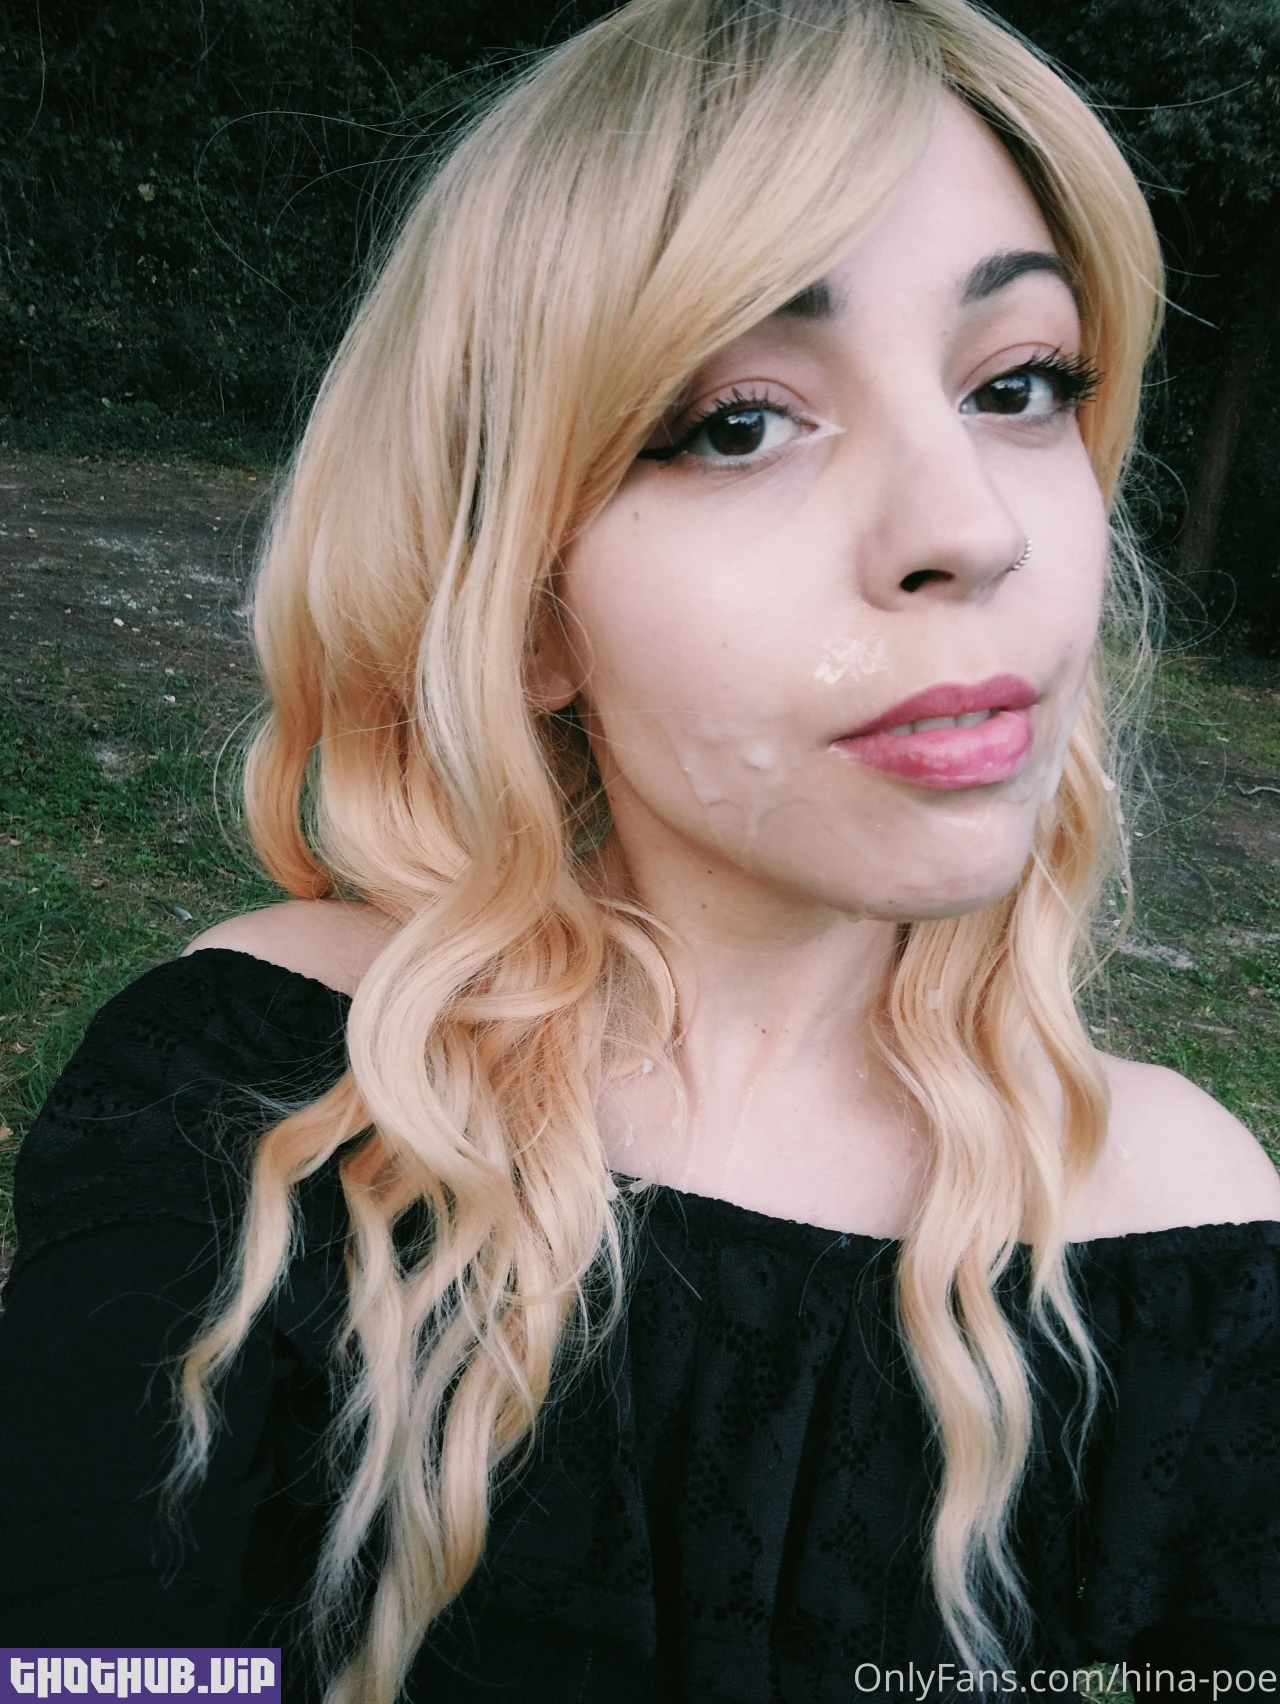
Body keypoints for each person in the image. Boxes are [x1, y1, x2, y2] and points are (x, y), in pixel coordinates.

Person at [2, 1, 1278, 1699]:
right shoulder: (258, 1092)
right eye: (739, 421)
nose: (973, 527)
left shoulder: (1184, 1234)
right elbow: (86, 1670)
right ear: (527, 608)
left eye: (1019, 386)